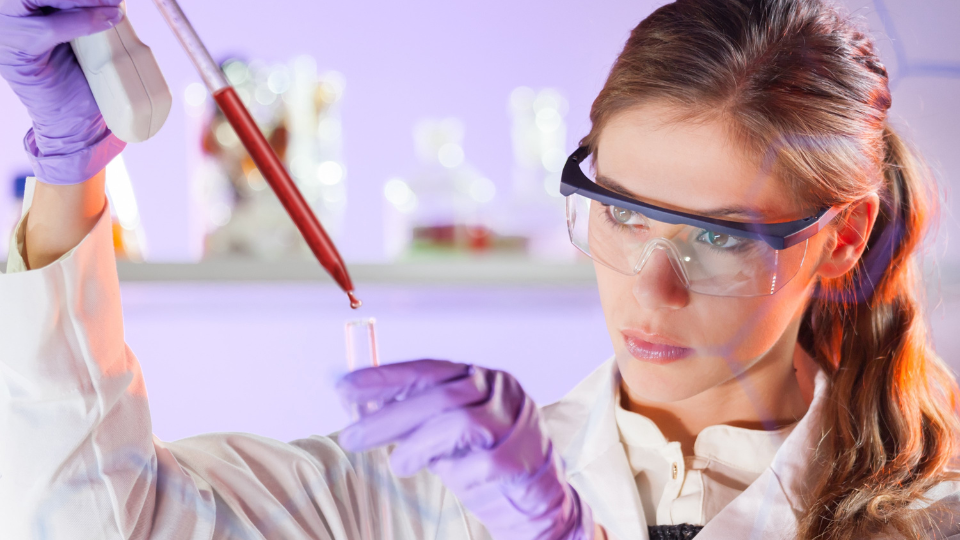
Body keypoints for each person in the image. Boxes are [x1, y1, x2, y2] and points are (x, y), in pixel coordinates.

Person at [2, 0, 959, 538]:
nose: (650, 288)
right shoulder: (429, 493)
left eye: (719, 237)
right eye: (623, 211)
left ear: (839, 237)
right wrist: (71, 170)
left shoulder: (933, 513)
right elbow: (84, 524)